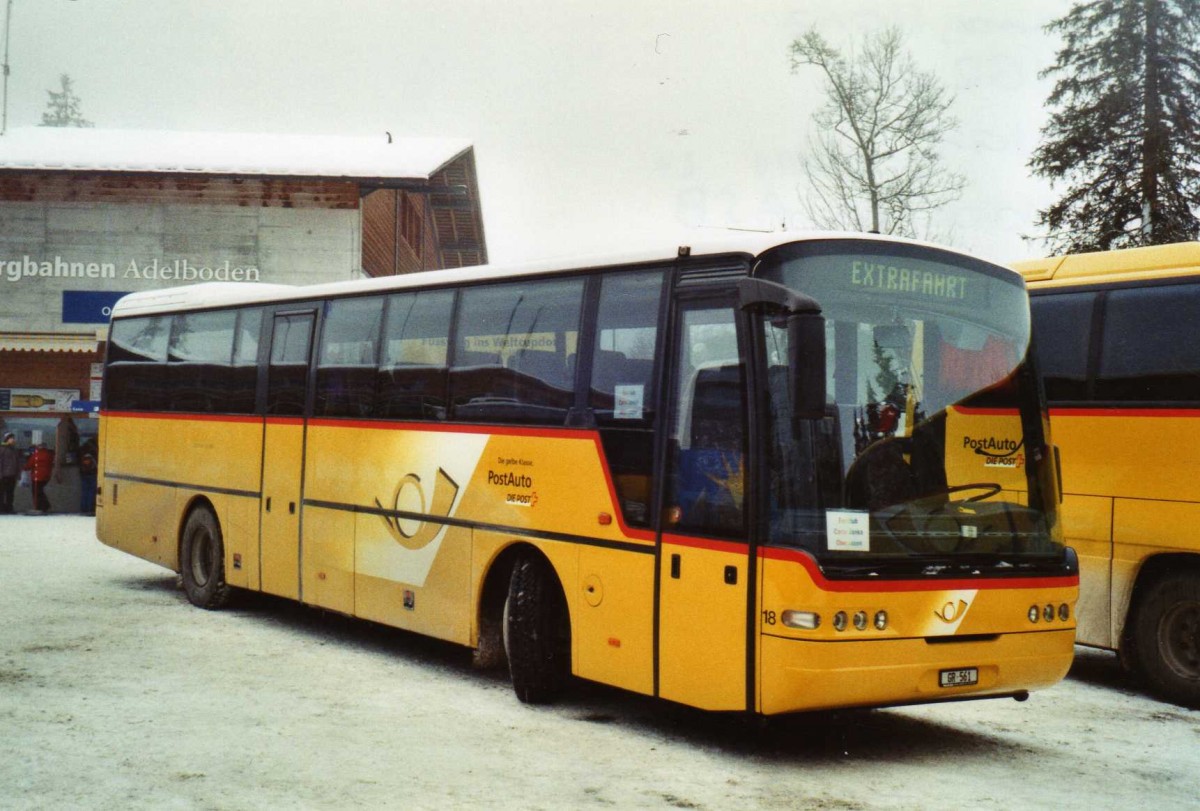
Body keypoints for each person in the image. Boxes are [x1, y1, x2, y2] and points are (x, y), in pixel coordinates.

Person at [24, 442, 54, 514]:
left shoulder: (36, 455)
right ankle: (44, 506)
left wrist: (24, 468)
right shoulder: (49, 455)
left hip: (37, 476)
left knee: (36, 492)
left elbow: (29, 465)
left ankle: (41, 507)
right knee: (40, 491)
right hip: (46, 476)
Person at [78, 441, 98, 516]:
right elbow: (95, 467)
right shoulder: (92, 457)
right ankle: (90, 508)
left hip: (84, 475)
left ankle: (84, 509)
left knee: (84, 492)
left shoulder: (82, 456)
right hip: (92, 475)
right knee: (91, 493)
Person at [0, 432, 18, 514]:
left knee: (10, 492)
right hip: (4, 475)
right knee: (2, 492)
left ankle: (9, 507)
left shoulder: (14, 449)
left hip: (12, 474)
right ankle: (2, 508)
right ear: (7, 439)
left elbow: (17, 462)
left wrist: (18, 473)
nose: (13, 440)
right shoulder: (2, 449)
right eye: (12, 438)